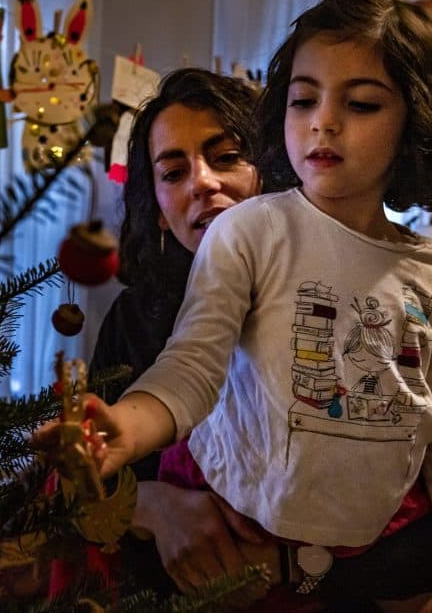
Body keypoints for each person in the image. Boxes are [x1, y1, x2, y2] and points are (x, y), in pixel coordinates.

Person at [38, 0, 432, 612]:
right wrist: (128, 428)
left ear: (415, 123)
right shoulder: (246, 235)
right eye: (303, 99)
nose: (323, 121)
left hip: (352, 550)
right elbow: (192, 366)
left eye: (361, 103)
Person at [80, 67, 281, 599]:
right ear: (162, 215)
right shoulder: (132, 318)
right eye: (173, 173)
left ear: (271, 173)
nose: (203, 183)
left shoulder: (325, 304)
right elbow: (80, 480)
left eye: (227, 158)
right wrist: (155, 506)